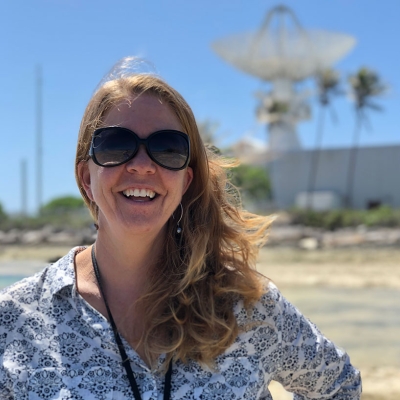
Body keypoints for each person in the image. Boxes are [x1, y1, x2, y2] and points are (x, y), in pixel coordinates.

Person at [0, 58, 361, 399]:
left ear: (185, 181)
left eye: (167, 148)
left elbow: (340, 386)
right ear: (85, 177)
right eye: (116, 145)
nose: (142, 165)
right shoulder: (15, 320)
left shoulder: (246, 308)